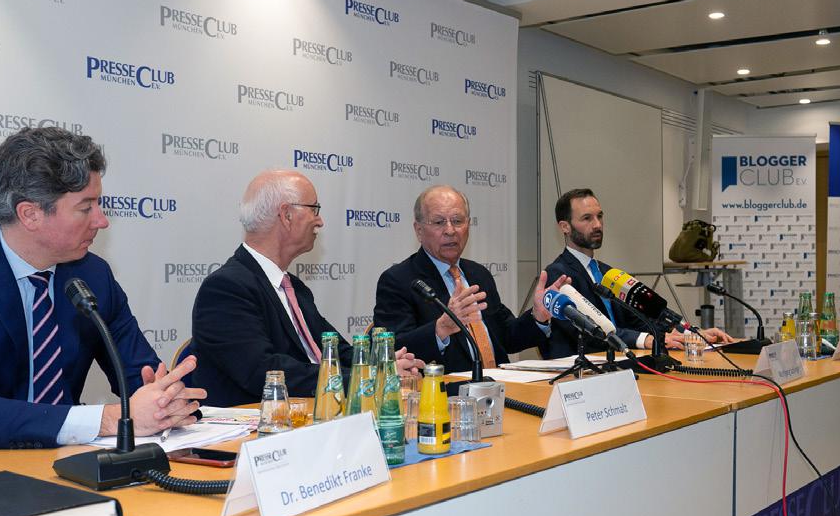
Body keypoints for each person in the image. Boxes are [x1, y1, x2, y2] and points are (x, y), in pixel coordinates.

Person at [0, 127, 203, 453]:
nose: (102, 221)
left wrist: (165, 400)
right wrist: (113, 419)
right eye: (86, 208)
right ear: (30, 214)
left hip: (59, 461)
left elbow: (140, 375)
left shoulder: (92, 276)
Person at [192, 169, 422, 404]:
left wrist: (382, 364)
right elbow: (264, 372)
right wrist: (369, 377)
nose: (320, 221)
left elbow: (336, 350)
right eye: (314, 209)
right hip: (257, 421)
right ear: (286, 215)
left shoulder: (294, 287)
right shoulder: (226, 288)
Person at [374, 185, 568, 373]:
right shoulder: (399, 280)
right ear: (419, 230)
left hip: (501, 384)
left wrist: (538, 316)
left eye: (457, 221)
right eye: (439, 222)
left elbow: (507, 337)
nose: (450, 230)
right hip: (448, 390)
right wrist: (441, 328)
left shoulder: (478, 274)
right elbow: (393, 351)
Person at [543, 188, 734, 359]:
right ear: (565, 227)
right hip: (583, 371)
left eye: (599, 216)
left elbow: (640, 319)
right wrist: (646, 340)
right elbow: (589, 330)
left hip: (622, 361)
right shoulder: (558, 275)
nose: (597, 225)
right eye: (587, 218)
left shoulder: (608, 272)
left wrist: (692, 334)